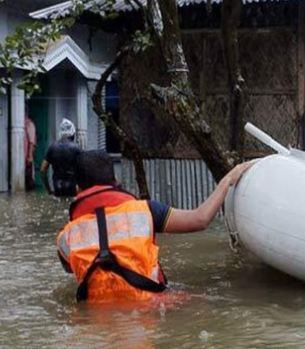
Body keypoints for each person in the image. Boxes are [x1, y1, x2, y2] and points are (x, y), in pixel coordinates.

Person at [56, 149, 255, 303]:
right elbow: (200, 219)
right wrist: (228, 180)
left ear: (78, 189)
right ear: (115, 181)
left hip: (94, 322)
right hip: (149, 308)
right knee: (204, 299)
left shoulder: (65, 239)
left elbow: (76, 271)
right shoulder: (145, 211)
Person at [41, 118, 80, 197]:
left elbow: (42, 170)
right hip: (72, 187)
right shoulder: (76, 148)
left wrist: (48, 189)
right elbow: (83, 170)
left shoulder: (52, 147)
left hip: (57, 187)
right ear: (73, 133)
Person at [25, 107, 37, 191]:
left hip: (27, 157)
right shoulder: (23, 124)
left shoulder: (29, 124)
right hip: (22, 157)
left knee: (28, 178)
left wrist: (30, 156)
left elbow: (32, 141)